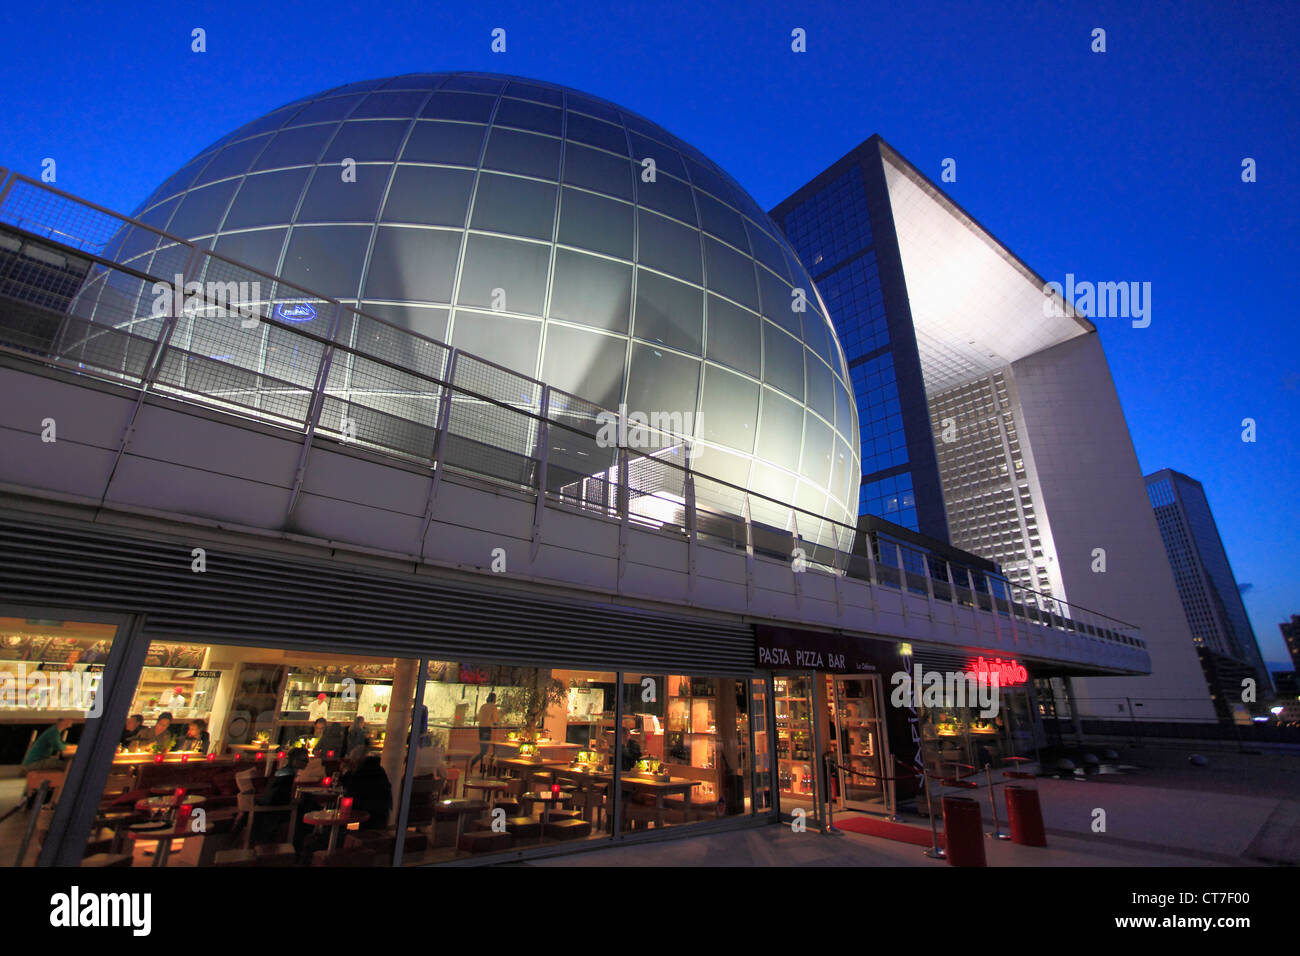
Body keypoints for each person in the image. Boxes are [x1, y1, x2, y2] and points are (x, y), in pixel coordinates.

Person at [252, 747, 308, 844]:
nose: (306, 762)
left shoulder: (284, 771)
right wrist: (293, 801)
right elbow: (279, 797)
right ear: (294, 760)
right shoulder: (288, 774)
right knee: (306, 809)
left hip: (267, 808)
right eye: (304, 760)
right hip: (273, 811)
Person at [468, 693, 498, 774]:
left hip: (481, 728)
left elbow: (478, 717)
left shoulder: (483, 706)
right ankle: (472, 763)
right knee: (484, 751)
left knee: (483, 749)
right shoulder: (493, 707)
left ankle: (482, 768)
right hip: (487, 729)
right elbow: (495, 720)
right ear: (494, 699)